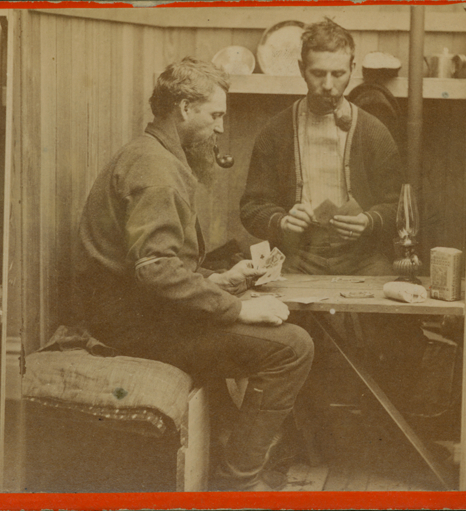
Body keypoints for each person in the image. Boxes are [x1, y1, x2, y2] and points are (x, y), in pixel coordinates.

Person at [74, 57, 314, 491]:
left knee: (277, 335)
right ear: (184, 108)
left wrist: (216, 280)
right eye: (215, 114)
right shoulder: (157, 170)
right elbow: (156, 269)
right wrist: (237, 308)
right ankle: (237, 484)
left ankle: (236, 464)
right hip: (132, 326)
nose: (220, 127)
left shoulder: (152, 155)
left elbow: (158, 266)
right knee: (292, 347)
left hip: (136, 312)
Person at [240, 19, 404, 275]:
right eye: (318, 73)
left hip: (362, 257)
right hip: (295, 254)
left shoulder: (374, 133)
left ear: (352, 69)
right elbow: (251, 208)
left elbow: (398, 207)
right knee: (268, 303)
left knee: (386, 301)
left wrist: (369, 221)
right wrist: (282, 222)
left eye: (338, 74)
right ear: (301, 68)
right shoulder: (275, 132)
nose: (328, 85)